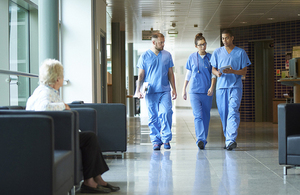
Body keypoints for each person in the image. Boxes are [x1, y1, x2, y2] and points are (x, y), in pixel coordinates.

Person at [26, 59, 120, 193]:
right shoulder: (45, 93)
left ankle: (96, 179)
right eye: (62, 75)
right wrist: (63, 106)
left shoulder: (45, 91)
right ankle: (90, 182)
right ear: (57, 78)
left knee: (89, 138)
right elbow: (43, 107)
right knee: (89, 138)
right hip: (49, 138)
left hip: (51, 134)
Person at [210, 29, 251, 150]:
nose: (224, 41)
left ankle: (231, 140)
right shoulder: (217, 52)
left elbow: (244, 71)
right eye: (223, 38)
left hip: (235, 86)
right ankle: (228, 138)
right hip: (221, 87)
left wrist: (232, 71)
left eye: (227, 38)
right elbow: (213, 69)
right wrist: (217, 73)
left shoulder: (241, 52)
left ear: (232, 38)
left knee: (233, 111)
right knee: (224, 114)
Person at [135, 33, 177, 150]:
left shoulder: (167, 55)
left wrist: (174, 88)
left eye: (164, 42)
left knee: (166, 112)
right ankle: (156, 141)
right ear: (154, 43)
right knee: (153, 117)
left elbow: (170, 73)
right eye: (161, 42)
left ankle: (166, 138)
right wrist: (138, 90)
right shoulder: (145, 56)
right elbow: (141, 74)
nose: (163, 44)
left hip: (164, 90)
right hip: (150, 91)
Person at [182, 33, 216, 150]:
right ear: (196, 46)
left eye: (204, 44)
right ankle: (200, 139)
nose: (203, 46)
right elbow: (188, 74)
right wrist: (184, 89)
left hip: (207, 92)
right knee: (198, 116)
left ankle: (204, 139)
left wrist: (212, 87)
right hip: (194, 91)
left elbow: (213, 74)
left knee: (206, 116)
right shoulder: (191, 57)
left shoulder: (211, 57)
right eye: (200, 45)